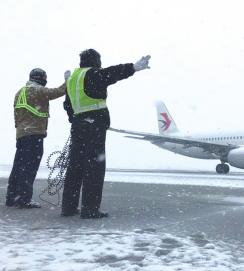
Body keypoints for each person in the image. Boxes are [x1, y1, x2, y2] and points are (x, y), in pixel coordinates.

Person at [61, 49, 151, 219]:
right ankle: (90, 208)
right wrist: (133, 67)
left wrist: (75, 120)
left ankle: (68, 208)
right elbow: (112, 73)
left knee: (75, 168)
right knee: (94, 167)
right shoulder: (93, 74)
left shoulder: (72, 79)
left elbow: (67, 105)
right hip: (94, 125)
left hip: (78, 126)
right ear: (95, 60)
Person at [6, 68, 70, 208]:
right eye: (45, 76)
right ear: (39, 77)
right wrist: (68, 81)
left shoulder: (20, 92)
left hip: (22, 134)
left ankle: (11, 197)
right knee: (29, 168)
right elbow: (57, 92)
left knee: (18, 166)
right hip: (34, 135)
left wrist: (20, 128)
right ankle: (23, 199)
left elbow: (16, 114)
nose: (46, 79)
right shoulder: (37, 90)